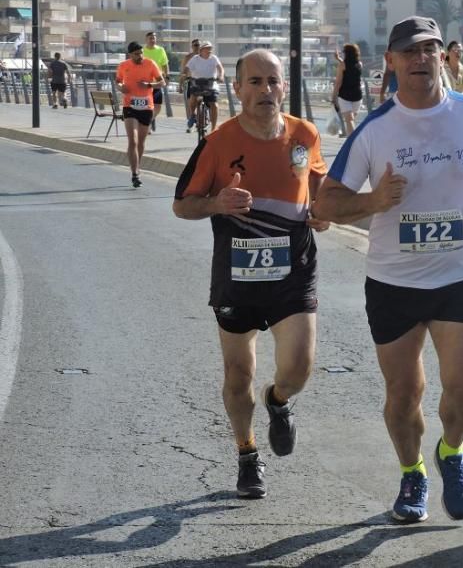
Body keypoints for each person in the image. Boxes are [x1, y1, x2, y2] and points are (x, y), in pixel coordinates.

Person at [314, 16, 463, 524]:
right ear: (392, 62)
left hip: (461, 272)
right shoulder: (375, 129)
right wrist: (374, 200)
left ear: (442, 57)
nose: (421, 59)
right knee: (404, 395)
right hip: (394, 281)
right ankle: (413, 473)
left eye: (429, 49)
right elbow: (328, 203)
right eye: (410, 52)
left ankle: (451, 452)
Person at [172, 48, 330, 499]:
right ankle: (246, 453)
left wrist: (322, 212)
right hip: (237, 278)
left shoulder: (305, 135)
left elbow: (317, 186)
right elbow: (182, 205)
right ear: (237, 88)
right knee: (238, 372)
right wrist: (216, 203)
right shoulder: (218, 143)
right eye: (255, 82)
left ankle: (278, 400)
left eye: (273, 81)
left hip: (293, 273)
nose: (265, 90)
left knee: (298, 368)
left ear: (284, 86)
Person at [115, 41, 164, 188]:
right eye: (136, 54)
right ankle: (134, 173)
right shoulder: (124, 65)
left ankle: (137, 166)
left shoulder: (150, 64)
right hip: (130, 106)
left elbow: (162, 83)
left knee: (141, 142)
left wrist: (149, 85)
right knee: (133, 141)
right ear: (130, 55)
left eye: (141, 53)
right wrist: (120, 87)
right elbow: (117, 81)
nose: (140, 56)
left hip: (146, 107)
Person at [184, 40, 224, 134]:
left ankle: (213, 128)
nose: (209, 50)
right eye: (207, 48)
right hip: (197, 83)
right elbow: (187, 68)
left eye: (210, 48)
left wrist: (220, 76)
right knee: (193, 97)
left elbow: (220, 68)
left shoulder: (214, 58)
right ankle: (192, 115)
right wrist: (185, 75)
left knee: (213, 104)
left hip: (211, 84)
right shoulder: (195, 58)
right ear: (201, 50)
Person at [331, 43, 364, 135]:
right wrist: (338, 59)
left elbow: (338, 82)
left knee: (349, 120)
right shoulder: (360, 64)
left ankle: (351, 142)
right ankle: (353, 140)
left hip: (345, 95)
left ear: (346, 53)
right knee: (351, 120)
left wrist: (333, 96)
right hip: (358, 95)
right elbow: (350, 67)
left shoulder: (342, 65)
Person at [143, 31, 169, 132]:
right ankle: (147, 124)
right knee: (147, 105)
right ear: (146, 39)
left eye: (154, 38)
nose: (152, 40)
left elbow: (165, 64)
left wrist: (167, 76)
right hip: (146, 83)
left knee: (157, 106)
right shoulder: (142, 51)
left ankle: (149, 120)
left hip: (157, 82)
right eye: (150, 38)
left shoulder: (161, 50)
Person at [179, 38, 200, 104]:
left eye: (199, 45)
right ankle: (192, 113)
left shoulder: (205, 56)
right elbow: (183, 72)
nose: (198, 47)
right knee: (190, 102)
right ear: (192, 47)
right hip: (191, 80)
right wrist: (180, 85)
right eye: (196, 45)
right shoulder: (188, 57)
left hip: (203, 80)